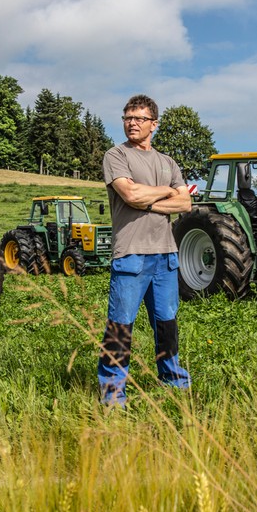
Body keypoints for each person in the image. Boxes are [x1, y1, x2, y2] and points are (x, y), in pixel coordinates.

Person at [98, 94, 192, 406]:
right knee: (120, 327)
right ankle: (113, 397)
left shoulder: (168, 162)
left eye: (139, 118)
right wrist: (167, 192)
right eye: (127, 117)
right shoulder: (116, 156)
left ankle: (174, 382)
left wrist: (151, 197)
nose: (131, 123)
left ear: (154, 124)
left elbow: (186, 203)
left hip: (166, 254)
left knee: (167, 324)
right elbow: (131, 195)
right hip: (131, 254)